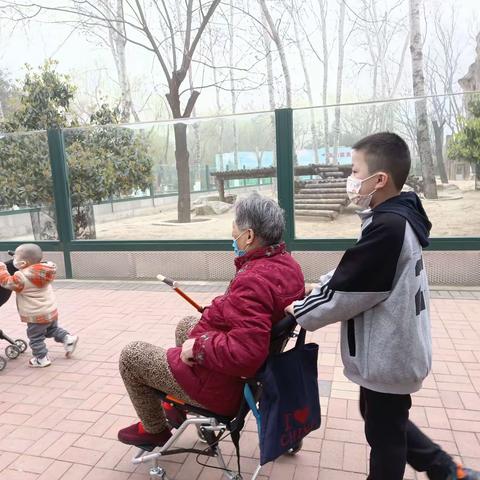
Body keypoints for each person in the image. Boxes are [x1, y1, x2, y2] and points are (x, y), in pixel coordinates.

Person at [285, 132, 479, 480]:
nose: (352, 179)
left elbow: (350, 290)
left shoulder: (388, 227)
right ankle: (445, 469)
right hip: (395, 350)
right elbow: (355, 268)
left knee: (385, 435)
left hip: (390, 354)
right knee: (384, 417)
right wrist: (324, 284)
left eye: (356, 170)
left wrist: (300, 310)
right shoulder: (394, 216)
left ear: (380, 179)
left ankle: (448, 471)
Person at [117, 192, 305, 449]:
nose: (233, 241)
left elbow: (248, 354)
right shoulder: (288, 265)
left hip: (226, 388)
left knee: (132, 355)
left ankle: (155, 429)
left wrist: (199, 347)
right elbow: (251, 312)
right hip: (255, 377)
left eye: (234, 235)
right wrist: (218, 309)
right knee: (186, 324)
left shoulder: (253, 279)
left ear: (248, 236)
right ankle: (179, 406)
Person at [0, 243, 78, 367]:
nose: (13, 260)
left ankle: (41, 358)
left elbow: (7, 282)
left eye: (15, 258)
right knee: (51, 329)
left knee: (35, 337)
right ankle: (68, 338)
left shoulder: (21, 277)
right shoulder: (45, 271)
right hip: (50, 310)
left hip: (36, 315)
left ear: (23, 264)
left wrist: (2, 268)